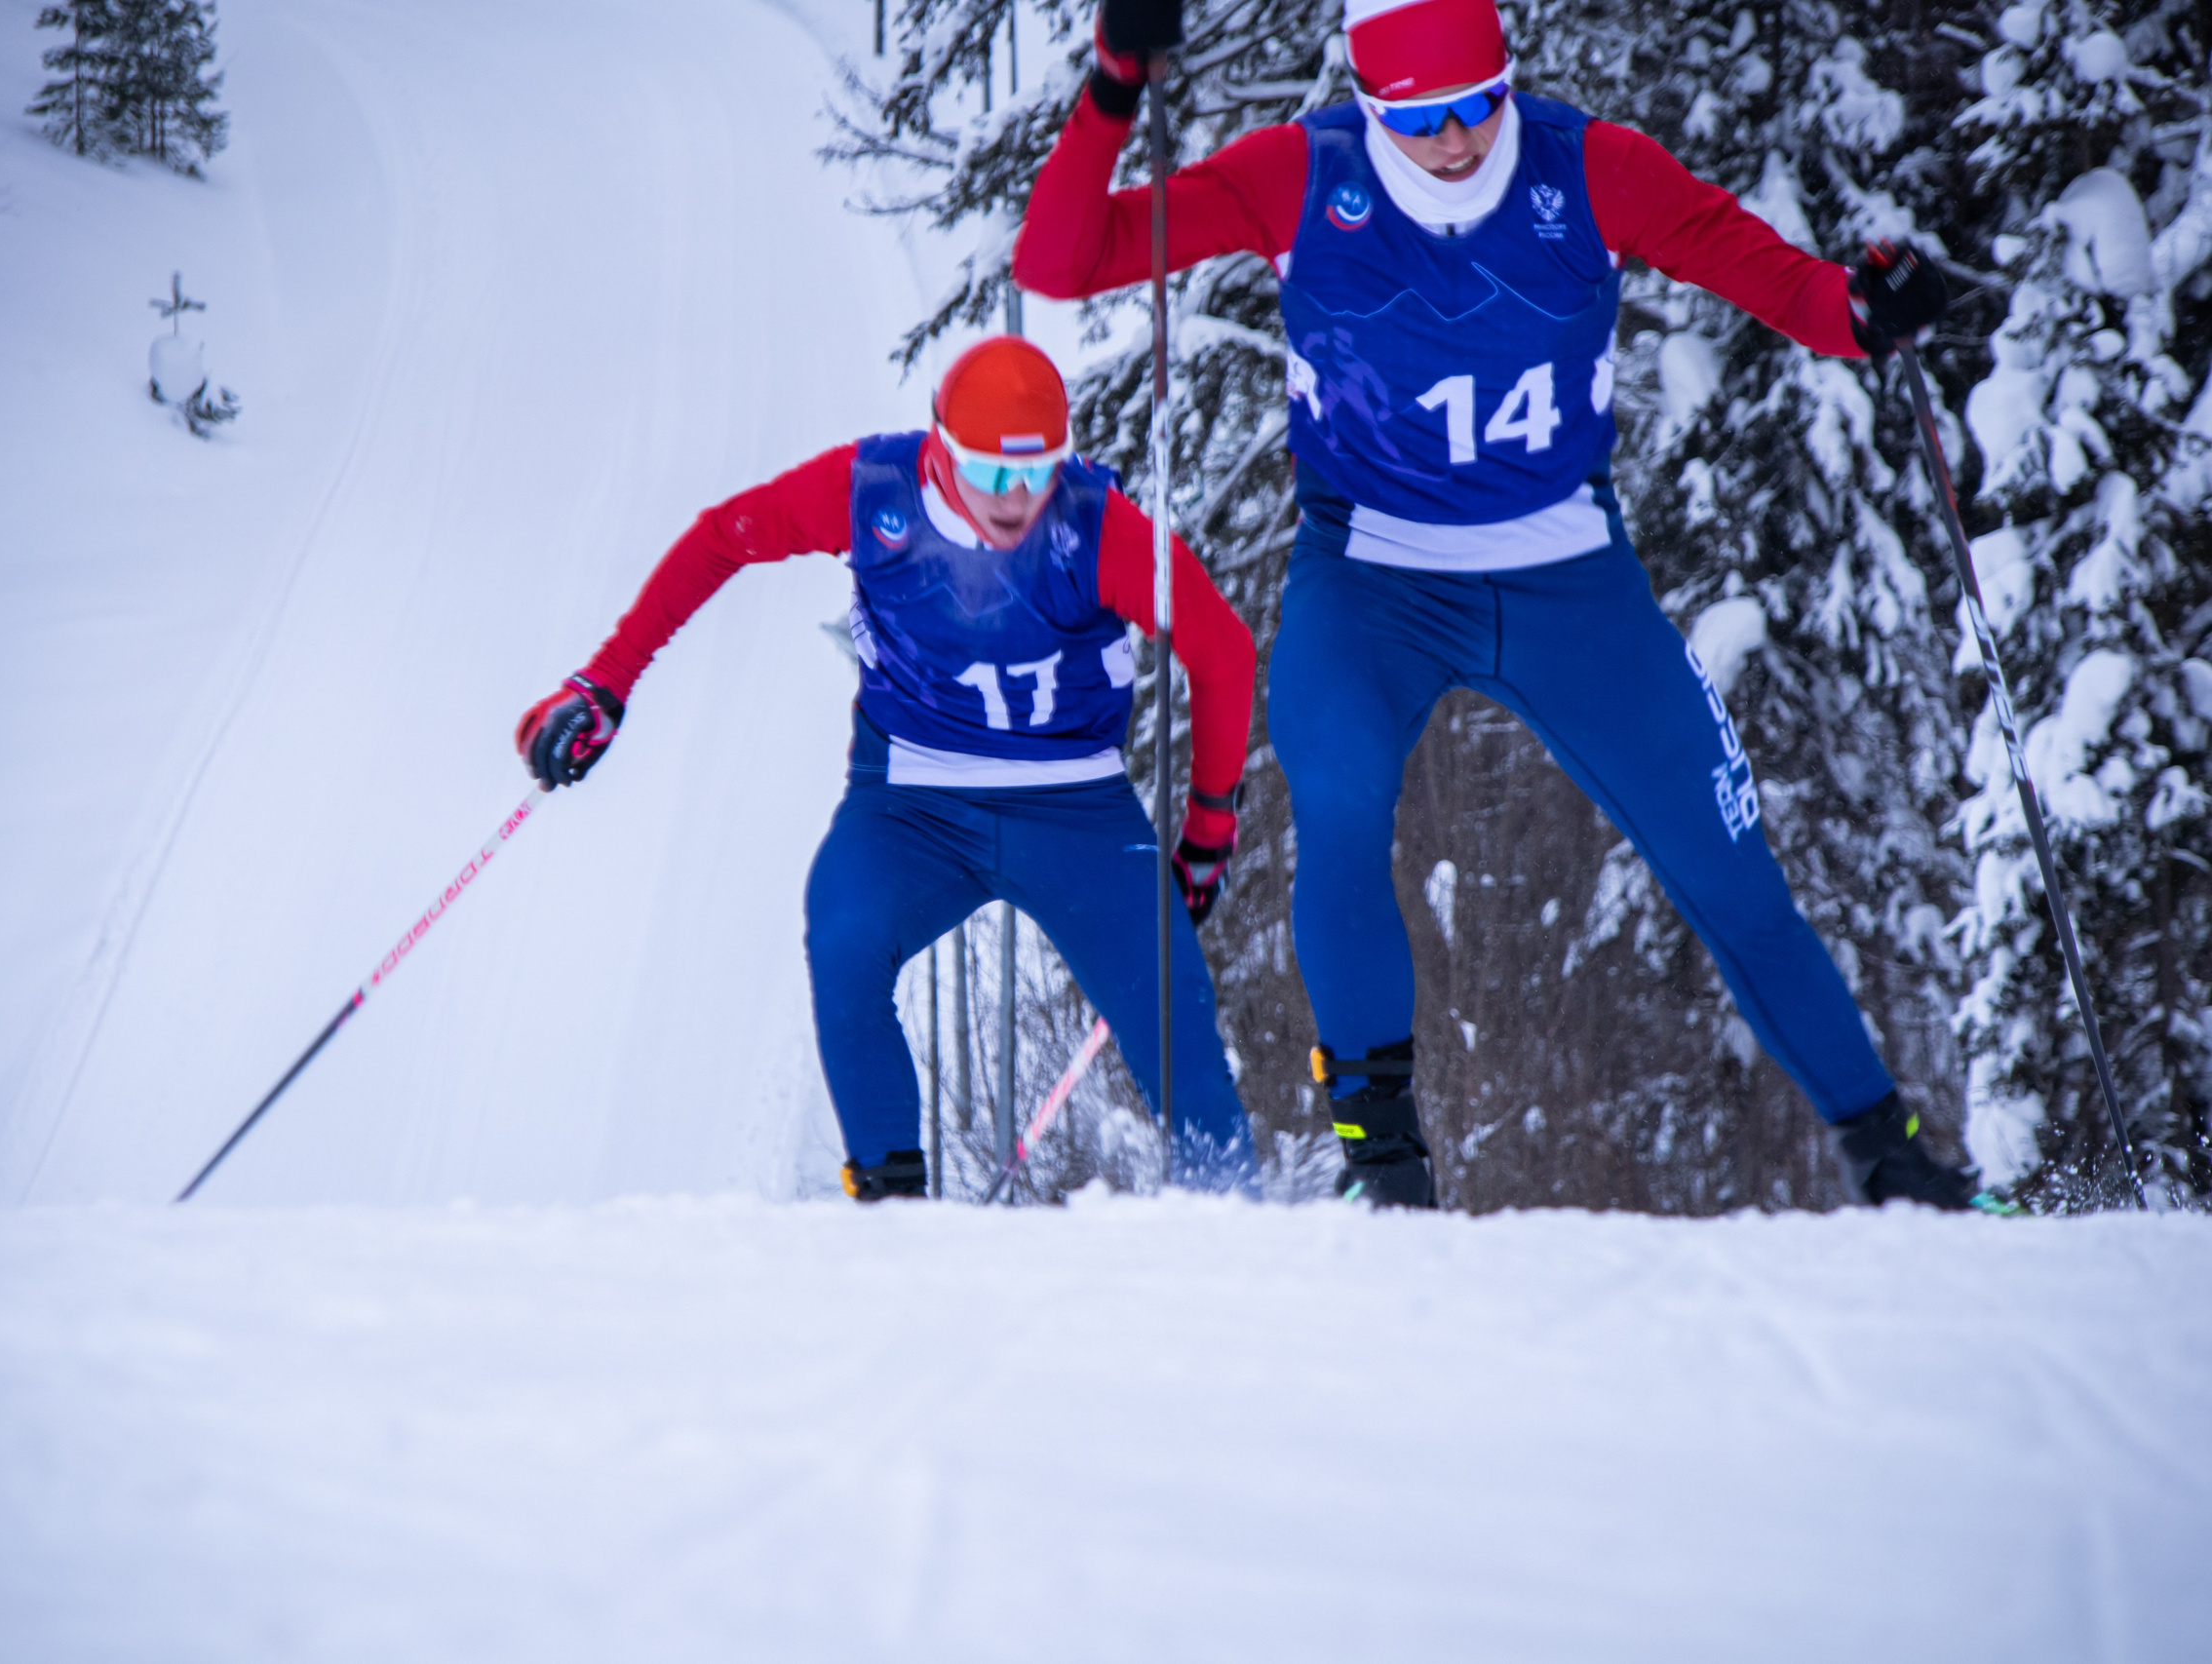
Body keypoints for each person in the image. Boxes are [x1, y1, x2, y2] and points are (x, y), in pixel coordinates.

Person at [1018, 0, 1970, 1209]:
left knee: (1726, 865)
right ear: (1371, 104)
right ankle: (1387, 1167)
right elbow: (1060, 262)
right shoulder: (1300, 178)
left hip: (1566, 574)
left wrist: (1859, 309)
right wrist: (1111, 86)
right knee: (1343, 806)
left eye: (1479, 105)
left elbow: (1768, 276)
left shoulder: (1590, 166)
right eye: (1422, 121)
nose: (1460, 141)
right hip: (1370, 577)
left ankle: (1890, 1152)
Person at [516, 335, 1260, 1200]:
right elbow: (725, 538)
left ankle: (1237, 1220)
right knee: (844, 939)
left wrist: (1209, 828)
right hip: (911, 803)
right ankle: (893, 1215)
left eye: (1038, 473)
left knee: (1173, 1021)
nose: (1015, 501)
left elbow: (1223, 652)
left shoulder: (1094, 525)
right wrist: (606, 681)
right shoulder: (872, 494)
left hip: (1074, 808)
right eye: (990, 474)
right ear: (940, 446)